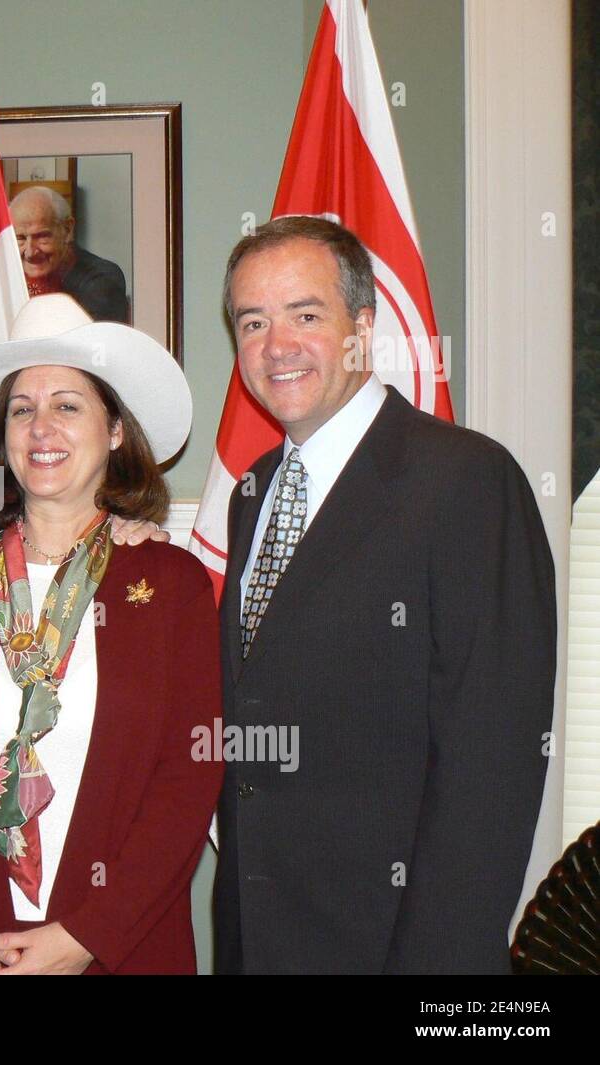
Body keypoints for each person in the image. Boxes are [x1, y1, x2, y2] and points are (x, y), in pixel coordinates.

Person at [212, 216, 556, 974]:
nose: (278, 345)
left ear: (362, 330)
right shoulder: (253, 494)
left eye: (306, 314)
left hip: (395, 951)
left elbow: (492, 761)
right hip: (259, 943)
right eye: (253, 322)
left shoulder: (466, 481)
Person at [0, 293, 222, 974]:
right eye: (22, 408)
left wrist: (86, 935)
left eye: (68, 405)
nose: (41, 426)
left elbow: (188, 783)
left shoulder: (172, 583)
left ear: (113, 430)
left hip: (119, 950)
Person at [10, 186, 130, 323]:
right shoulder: (8, 278)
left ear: (67, 229)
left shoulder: (101, 281)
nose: (30, 252)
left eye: (42, 236)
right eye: (20, 238)